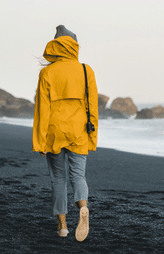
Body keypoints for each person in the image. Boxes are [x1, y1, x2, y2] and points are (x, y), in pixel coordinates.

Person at [32, 25, 98, 242]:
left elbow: (43, 110)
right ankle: (83, 206)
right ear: (74, 45)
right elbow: (93, 108)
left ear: (56, 45)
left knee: (58, 179)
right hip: (78, 131)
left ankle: (62, 226)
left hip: (54, 132)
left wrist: (40, 141)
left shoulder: (47, 72)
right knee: (78, 176)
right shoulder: (86, 70)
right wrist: (92, 138)